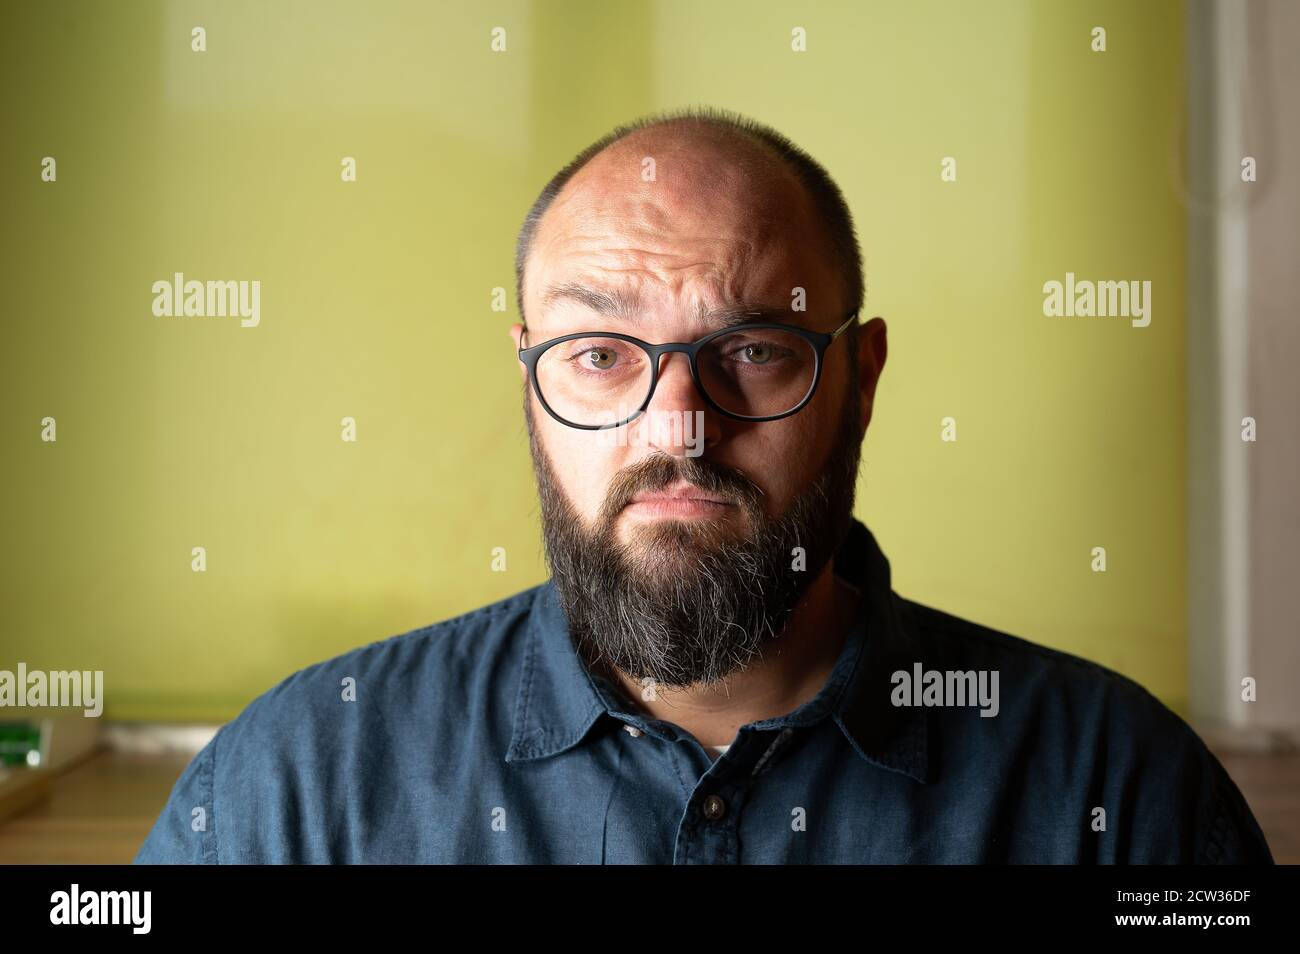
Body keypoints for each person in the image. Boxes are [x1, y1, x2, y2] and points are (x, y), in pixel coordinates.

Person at [136, 106, 1272, 863]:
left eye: (755, 351)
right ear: (531, 384)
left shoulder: (1118, 797)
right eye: (599, 354)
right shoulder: (296, 790)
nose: (679, 424)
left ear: (859, 379)